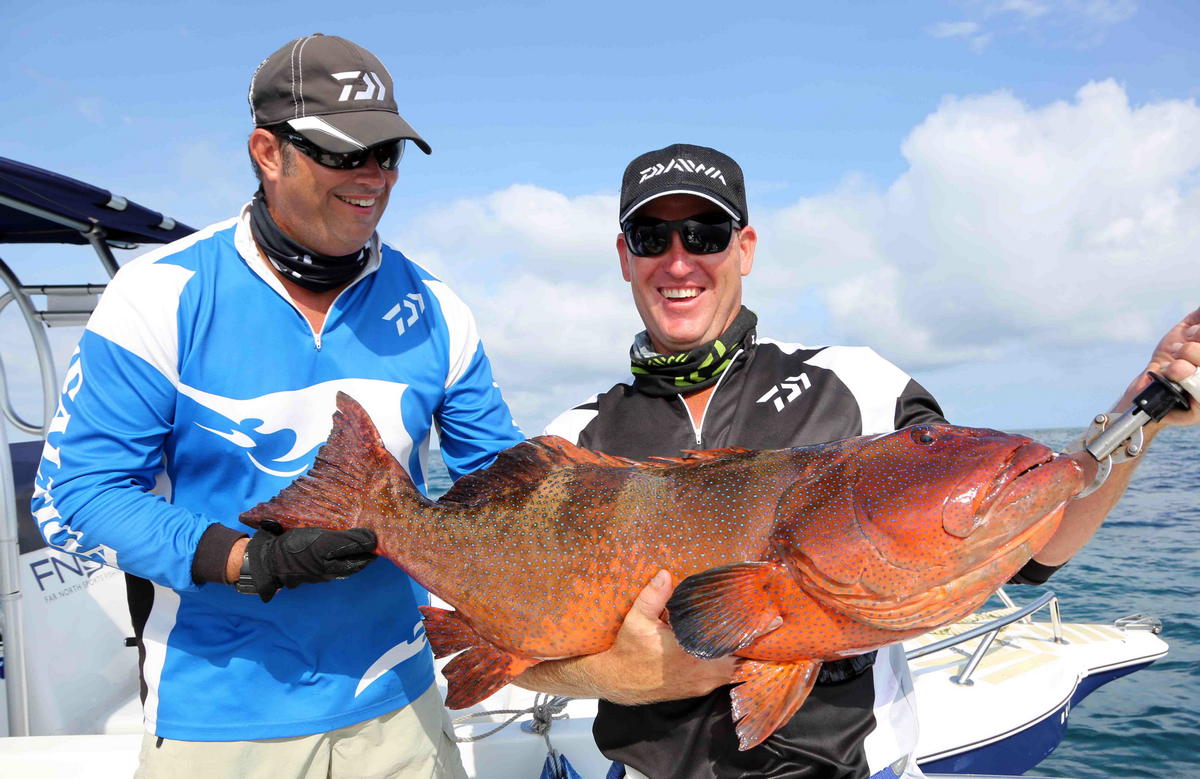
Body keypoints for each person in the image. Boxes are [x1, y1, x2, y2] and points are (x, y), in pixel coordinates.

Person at [515, 143, 1200, 779]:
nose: (678, 259)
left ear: (745, 248)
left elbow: (1033, 545)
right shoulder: (573, 443)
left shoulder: (859, 383)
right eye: (650, 238)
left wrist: (1147, 405)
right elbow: (512, 644)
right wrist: (617, 674)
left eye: (705, 234)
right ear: (623, 256)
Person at [31, 34, 523, 779]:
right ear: (267, 150)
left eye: (386, 154)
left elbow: (509, 483)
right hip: (217, 719)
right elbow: (74, 494)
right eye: (343, 153)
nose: (372, 177)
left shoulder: (437, 309)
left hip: (401, 702)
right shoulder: (159, 296)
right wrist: (245, 558)